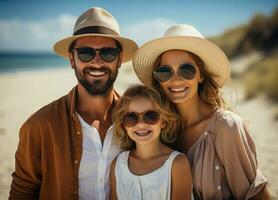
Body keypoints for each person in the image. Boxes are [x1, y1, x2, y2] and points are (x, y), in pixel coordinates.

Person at [9, 7, 138, 200]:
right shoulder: (39, 126)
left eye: (108, 53)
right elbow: (23, 193)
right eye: (85, 53)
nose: (97, 62)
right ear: (72, 59)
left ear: (119, 59)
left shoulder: (141, 119)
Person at [133, 24, 270, 200]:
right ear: (157, 79)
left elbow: (258, 197)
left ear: (201, 75)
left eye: (186, 70)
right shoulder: (158, 129)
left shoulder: (227, 127)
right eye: (165, 71)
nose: (175, 79)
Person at [109, 85, 192, 200]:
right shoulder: (118, 165)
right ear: (123, 124)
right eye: (131, 117)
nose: (141, 124)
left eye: (150, 116)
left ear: (163, 121)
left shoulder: (177, 164)